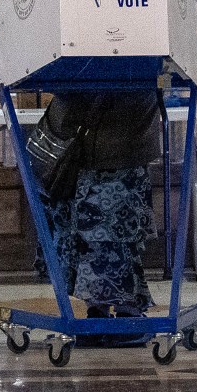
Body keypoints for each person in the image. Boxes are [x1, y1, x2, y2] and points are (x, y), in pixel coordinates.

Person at [35, 91, 161, 345]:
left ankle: (114, 313)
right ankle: (112, 312)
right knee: (109, 238)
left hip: (105, 147)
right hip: (108, 148)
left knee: (108, 238)